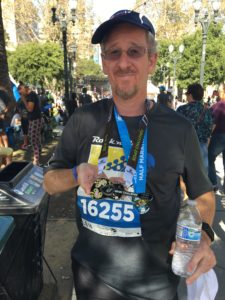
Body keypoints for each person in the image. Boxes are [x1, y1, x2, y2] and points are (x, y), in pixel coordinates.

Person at [44, 10, 216, 300]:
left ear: (151, 60)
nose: (123, 62)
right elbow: (49, 182)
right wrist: (76, 174)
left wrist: (205, 236)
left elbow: (204, 195)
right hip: (90, 281)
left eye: (134, 51)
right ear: (104, 63)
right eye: (114, 53)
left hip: (156, 286)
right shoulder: (82, 119)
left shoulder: (179, 129)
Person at [177, 83, 214, 171]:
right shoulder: (207, 111)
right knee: (201, 179)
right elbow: (209, 132)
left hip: (185, 148)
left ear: (190, 95)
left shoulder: (182, 110)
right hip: (202, 147)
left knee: (185, 179)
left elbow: (176, 131)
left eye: (187, 94)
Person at [18, 83, 42, 165]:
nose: (20, 94)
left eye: (21, 91)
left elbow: (30, 109)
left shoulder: (31, 95)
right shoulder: (30, 95)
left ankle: (36, 160)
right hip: (33, 120)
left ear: (25, 88)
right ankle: (39, 153)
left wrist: (23, 99)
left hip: (36, 119)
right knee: (36, 138)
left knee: (33, 140)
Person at [208, 96, 225, 194]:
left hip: (219, 135)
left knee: (210, 159)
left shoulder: (219, 105)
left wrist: (209, 136)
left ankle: (213, 184)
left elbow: (213, 122)